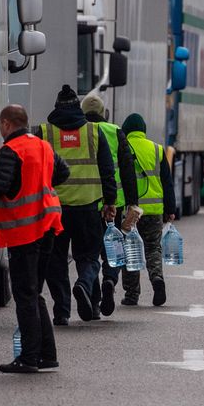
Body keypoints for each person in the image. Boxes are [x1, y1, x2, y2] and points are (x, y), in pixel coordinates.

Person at [0, 104, 67, 374]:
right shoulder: (42, 146)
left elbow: (0, 186)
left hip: (25, 230)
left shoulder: (10, 150)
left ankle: (28, 358)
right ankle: (46, 355)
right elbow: (63, 173)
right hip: (49, 225)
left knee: (25, 295)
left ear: (6, 124)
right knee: (34, 292)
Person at [39, 85, 118, 324]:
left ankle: (62, 311)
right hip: (88, 207)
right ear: (77, 107)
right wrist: (110, 202)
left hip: (55, 210)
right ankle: (84, 285)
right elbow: (107, 170)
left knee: (56, 261)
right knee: (89, 257)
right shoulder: (93, 132)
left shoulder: (45, 133)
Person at [81, 93, 142, 317]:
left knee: (89, 254)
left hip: (86, 202)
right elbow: (127, 169)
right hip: (114, 204)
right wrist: (133, 202)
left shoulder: (80, 132)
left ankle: (94, 300)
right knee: (113, 251)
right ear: (103, 113)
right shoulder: (116, 131)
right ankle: (110, 279)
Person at [118, 113, 177, 307]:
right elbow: (167, 184)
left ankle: (132, 295)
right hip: (153, 211)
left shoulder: (122, 147)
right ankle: (157, 278)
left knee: (131, 250)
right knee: (153, 248)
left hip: (131, 211)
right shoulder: (157, 150)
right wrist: (170, 209)